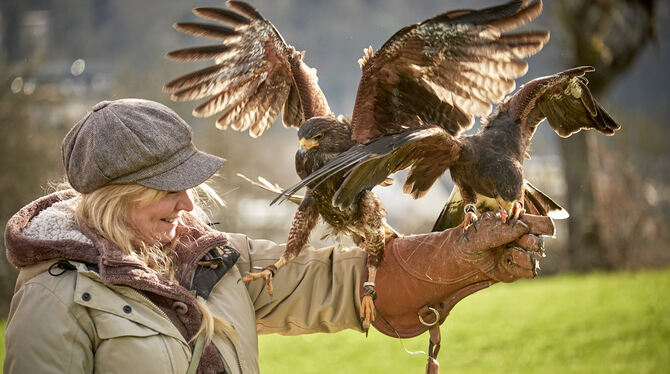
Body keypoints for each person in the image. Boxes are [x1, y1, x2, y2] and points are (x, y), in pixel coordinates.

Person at [3, 98, 553, 374]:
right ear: (117, 195)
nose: (189, 203)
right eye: (168, 189)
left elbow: (334, 282)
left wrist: (453, 256)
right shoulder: (56, 297)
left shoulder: (209, 258)